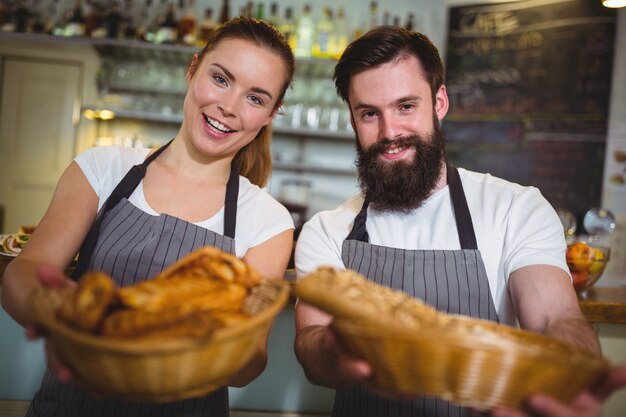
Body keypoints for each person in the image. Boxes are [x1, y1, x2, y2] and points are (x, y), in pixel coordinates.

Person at [293, 26, 626, 417]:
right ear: (353, 121)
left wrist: (570, 375)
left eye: (405, 106)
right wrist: (337, 348)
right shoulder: (328, 229)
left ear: (439, 102)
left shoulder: (516, 209)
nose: (390, 132)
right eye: (369, 113)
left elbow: (555, 317)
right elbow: (311, 343)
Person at [1, 17, 295, 417]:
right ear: (192, 70)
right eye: (222, 79)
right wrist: (50, 309)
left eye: (256, 98)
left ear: (270, 116)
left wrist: (222, 346)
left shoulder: (267, 221)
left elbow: (250, 362)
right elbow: (25, 271)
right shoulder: (102, 168)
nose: (228, 107)